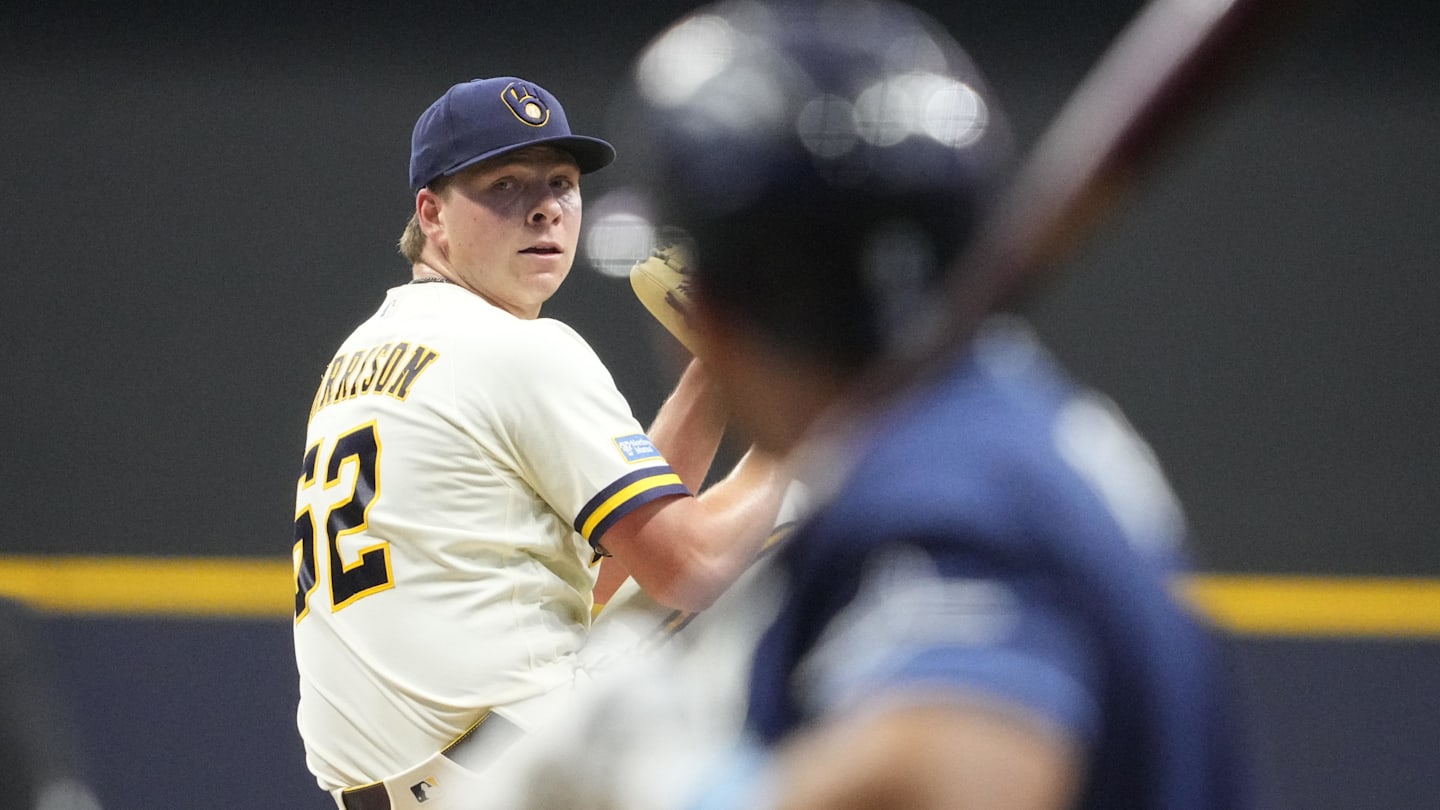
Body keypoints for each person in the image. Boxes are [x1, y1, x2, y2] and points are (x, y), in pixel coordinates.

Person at [484, 2, 1261, 809]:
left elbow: (964, 780)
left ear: (710, 316)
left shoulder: (947, 488)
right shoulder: (985, 427)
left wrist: (698, 793)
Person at [289, 75, 787, 809]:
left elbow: (608, 560)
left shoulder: (364, 352)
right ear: (432, 214)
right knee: (804, 507)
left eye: (562, 183)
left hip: (425, 785)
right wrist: (820, 423)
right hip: (513, 776)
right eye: (505, 185)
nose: (545, 207)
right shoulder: (517, 349)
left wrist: (719, 371)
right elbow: (693, 565)